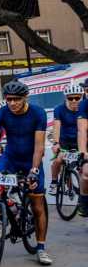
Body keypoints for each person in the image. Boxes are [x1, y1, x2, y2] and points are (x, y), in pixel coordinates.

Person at [0, 80, 51, 265]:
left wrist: (34, 170)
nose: (12, 103)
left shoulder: (37, 113)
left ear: (25, 97)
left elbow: (39, 146)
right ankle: (3, 214)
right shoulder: (2, 112)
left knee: (37, 206)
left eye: (16, 99)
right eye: (9, 99)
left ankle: (41, 248)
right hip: (10, 157)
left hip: (30, 159)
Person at [49, 84, 82, 195]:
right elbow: (56, 127)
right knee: (58, 160)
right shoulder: (59, 109)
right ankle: (54, 183)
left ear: (81, 97)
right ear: (65, 98)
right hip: (65, 141)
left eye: (77, 98)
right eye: (70, 98)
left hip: (79, 141)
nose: (74, 100)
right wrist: (56, 143)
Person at [77, 84, 88, 217]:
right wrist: (83, 152)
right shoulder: (84, 105)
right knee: (85, 173)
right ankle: (85, 202)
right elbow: (82, 131)